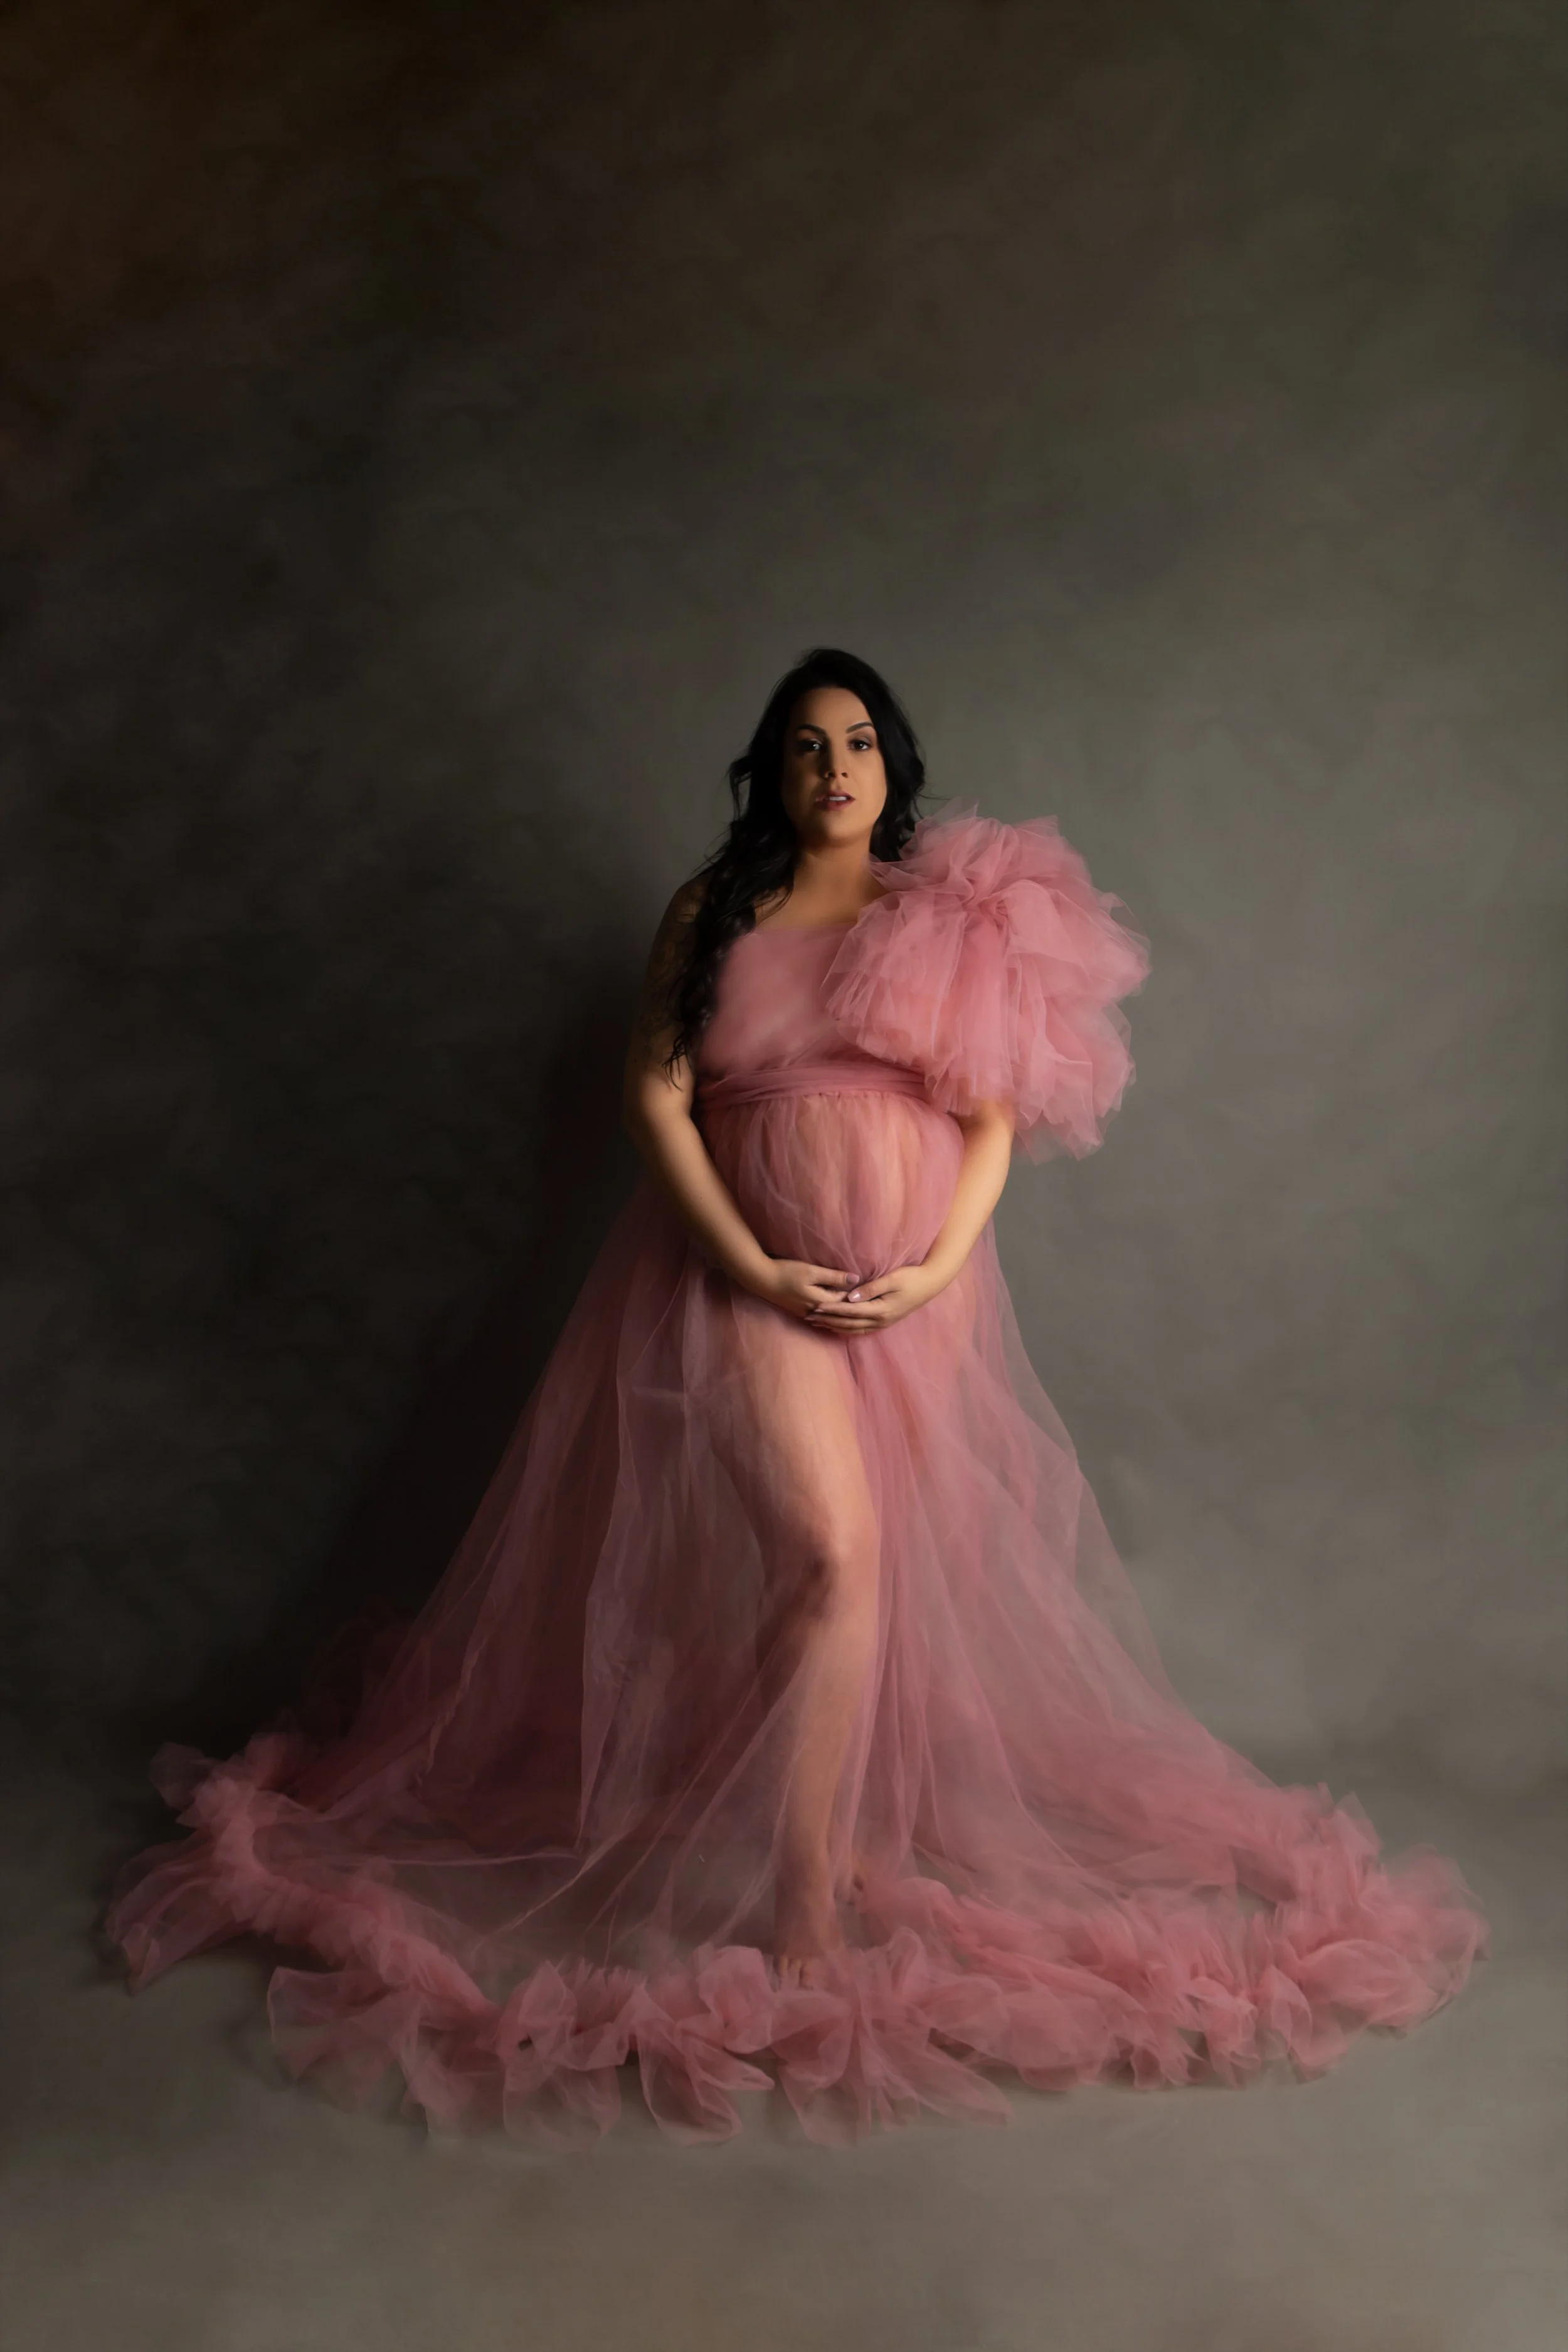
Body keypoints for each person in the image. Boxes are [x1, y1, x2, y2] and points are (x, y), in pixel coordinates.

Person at [105, 647, 1488, 2148]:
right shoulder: (714, 911)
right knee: (828, 1555)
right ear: (770, 771)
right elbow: (654, 1099)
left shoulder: (936, 919)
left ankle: (811, 1824)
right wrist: (752, 1260)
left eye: (858, 745)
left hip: (910, 1299)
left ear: (893, 767)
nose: (833, 770)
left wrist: (928, 1272)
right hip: (737, 1280)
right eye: (806, 746)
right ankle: (805, 1897)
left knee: (872, 1576)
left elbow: (990, 1121)